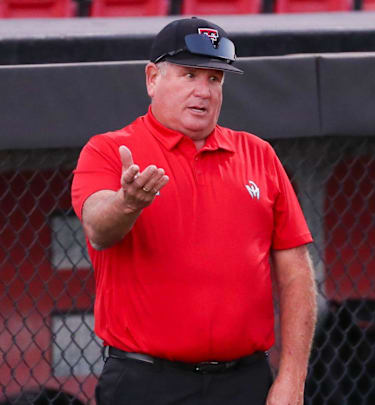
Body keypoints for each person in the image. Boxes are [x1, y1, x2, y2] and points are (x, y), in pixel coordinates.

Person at [71, 17, 316, 405]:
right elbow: (99, 228)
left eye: (215, 79)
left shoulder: (259, 154)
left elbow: (296, 271)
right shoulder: (108, 150)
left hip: (245, 381)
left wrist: (292, 378)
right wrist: (127, 202)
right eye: (189, 75)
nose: (204, 91)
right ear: (152, 78)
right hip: (146, 382)